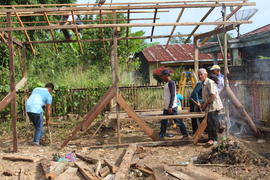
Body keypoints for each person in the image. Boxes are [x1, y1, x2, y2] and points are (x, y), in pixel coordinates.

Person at [159, 69, 188, 139]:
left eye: (162, 76)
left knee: (178, 121)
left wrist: (170, 106)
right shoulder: (166, 83)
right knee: (164, 121)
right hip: (167, 107)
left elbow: (173, 95)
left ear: (166, 76)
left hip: (171, 107)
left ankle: (185, 134)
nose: (162, 77)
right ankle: (161, 134)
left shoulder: (171, 83)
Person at [198, 68, 223, 145]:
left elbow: (213, 96)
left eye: (201, 74)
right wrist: (203, 104)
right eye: (199, 74)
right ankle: (210, 138)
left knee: (213, 123)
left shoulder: (210, 82)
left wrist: (205, 104)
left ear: (206, 75)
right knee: (209, 123)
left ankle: (214, 139)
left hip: (214, 106)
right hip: (209, 106)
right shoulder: (203, 83)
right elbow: (205, 96)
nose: (200, 76)